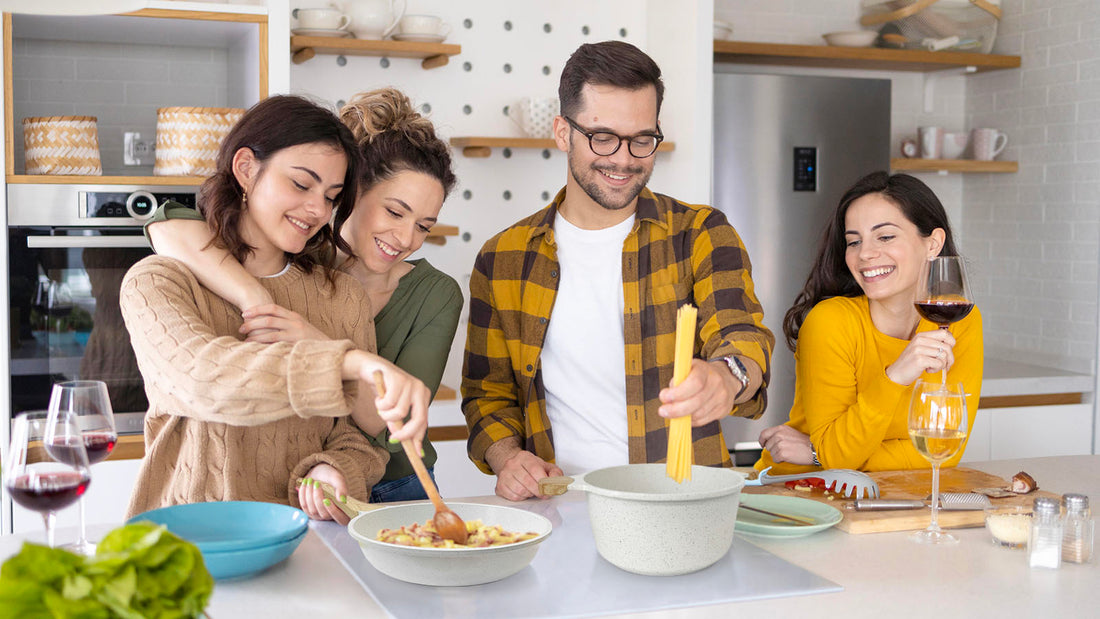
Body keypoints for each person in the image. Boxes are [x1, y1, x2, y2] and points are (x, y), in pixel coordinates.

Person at [462, 41, 774, 502]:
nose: (625, 159)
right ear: (562, 132)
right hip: (559, 508)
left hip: (683, 505)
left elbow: (742, 334)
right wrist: (508, 458)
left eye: (641, 139)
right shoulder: (502, 258)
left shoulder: (701, 233)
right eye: (602, 137)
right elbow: (488, 395)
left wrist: (727, 377)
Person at [120, 95, 432, 523]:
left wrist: (336, 468)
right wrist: (349, 361)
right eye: (302, 185)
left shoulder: (342, 296)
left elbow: (357, 439)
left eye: (331, 196)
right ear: (246, 169)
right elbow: (205, 382)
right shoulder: (157, 280)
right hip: (184, 544)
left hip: (303, 543)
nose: (317, 210)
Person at [755, 172, 983, 474]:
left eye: (885, 236)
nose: (865, 254)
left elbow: (943, 450)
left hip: (894, 497)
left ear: (933, 244)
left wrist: (815, 451)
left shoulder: (961, 319)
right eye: (853, 241)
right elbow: (836, 459)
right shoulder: (830, 322)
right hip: (801, 494)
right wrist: (896, 376)